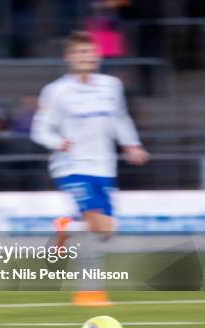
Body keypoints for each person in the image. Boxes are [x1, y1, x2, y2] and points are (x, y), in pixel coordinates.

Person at [30, 31, 149, 306]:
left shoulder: (111, 86)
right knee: (95, 222)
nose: (86, 57)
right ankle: (89, 291)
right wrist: (57, 142)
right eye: (79, 53)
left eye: (89, 52)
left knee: (106, 231)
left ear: (98, 56)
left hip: (104, 166)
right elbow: (39, 129)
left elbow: (120, 119)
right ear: (69, 57)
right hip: (71, 165)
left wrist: (132, 145)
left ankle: (66, 228)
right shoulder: (56, 91)